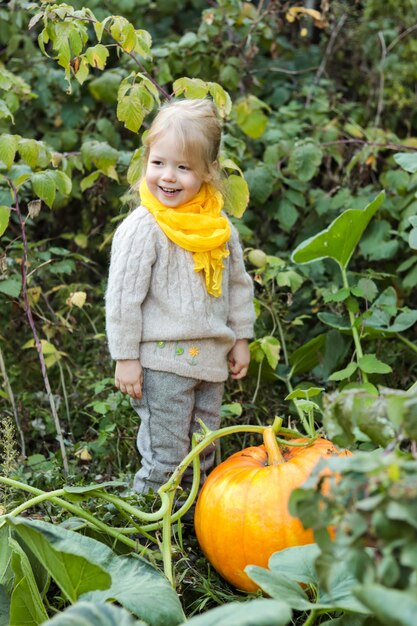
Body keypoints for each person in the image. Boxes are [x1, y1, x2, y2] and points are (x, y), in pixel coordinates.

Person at [105, 98, 255, 494]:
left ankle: (193, 530)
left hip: (210, 363)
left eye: (183, 167)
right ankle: (147, 532)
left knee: (204, 452)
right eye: (159, 163)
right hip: (160, 365)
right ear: (146, 160)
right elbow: (123, 300)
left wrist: (240, 337)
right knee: (167, 458)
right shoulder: (143, 229)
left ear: (208, 172)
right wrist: (126, 358)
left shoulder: (219, 227)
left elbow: (237, 286)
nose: (168, 177)